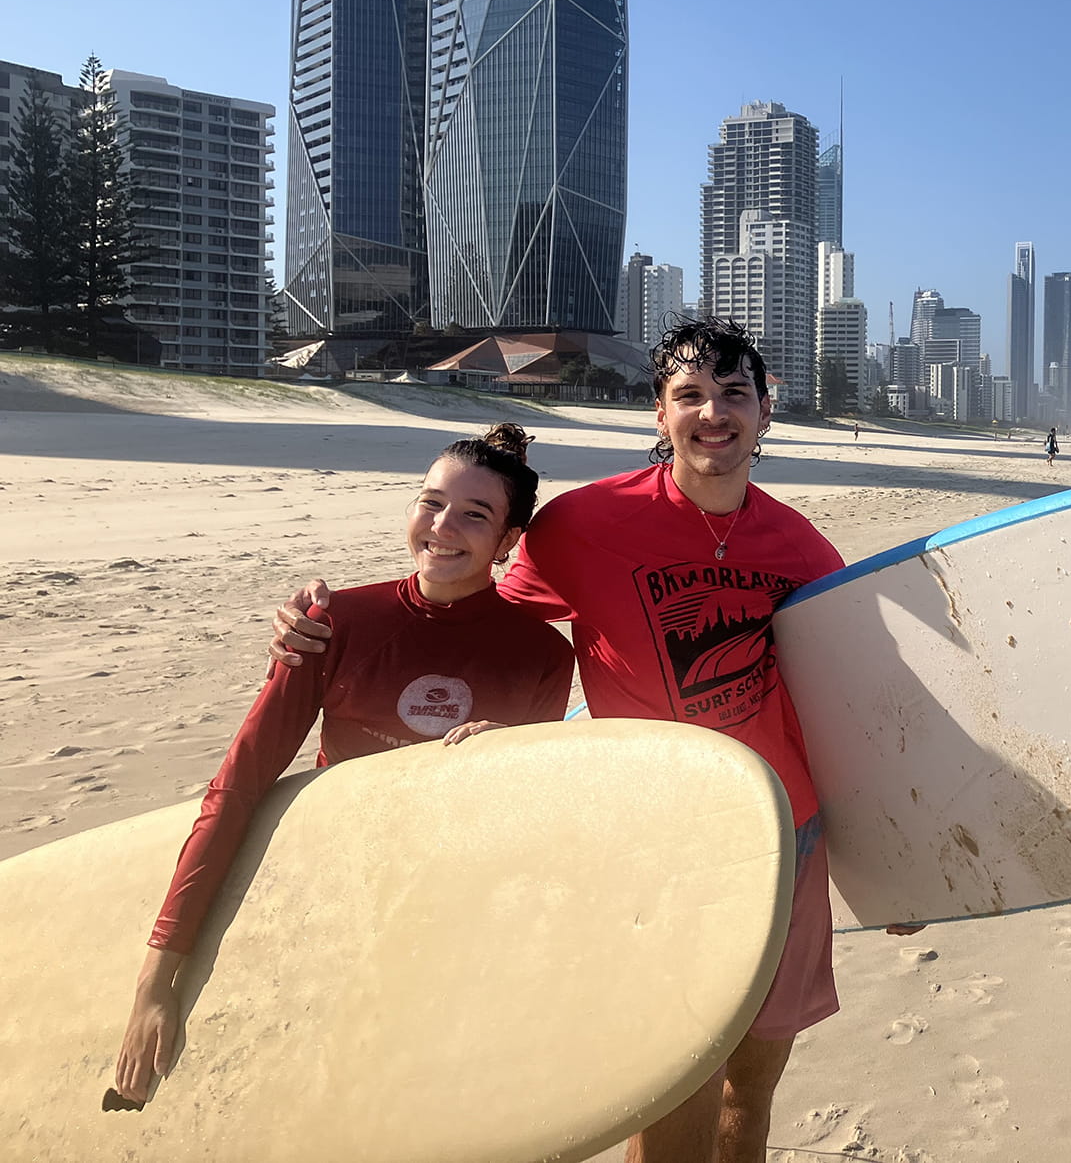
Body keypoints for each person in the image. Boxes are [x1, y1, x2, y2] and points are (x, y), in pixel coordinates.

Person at [268, 320, 894, 1163]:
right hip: (656, 833)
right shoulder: (585, 524)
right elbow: (478, 618)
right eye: (690, 395)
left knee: (753, 1084)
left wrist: (895, 863)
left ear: (764, 412)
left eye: (734, 393)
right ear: (660, 414)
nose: (714, 412)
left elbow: (847, 705)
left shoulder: (804, 549)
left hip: (789, 828)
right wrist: (331, 627)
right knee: (671, 1084)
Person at [113, 425, 575, 1107]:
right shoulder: (336, 622)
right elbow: (238, 787)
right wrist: (155, 985)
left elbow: (526, 833)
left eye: (475, 515)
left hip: (448, 910)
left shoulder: (542, 656)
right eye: (431, 503)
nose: (442, 527)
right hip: (329, 890)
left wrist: (513, 758)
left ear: (508, 541)